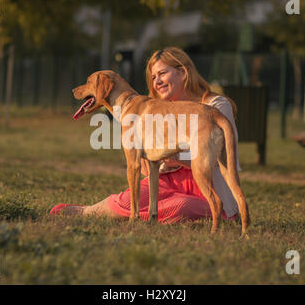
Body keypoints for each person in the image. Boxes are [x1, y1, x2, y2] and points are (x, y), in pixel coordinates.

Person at [50, 47, 241, 223]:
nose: (156, 81)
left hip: (204, 187)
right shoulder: (151, 107)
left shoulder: (215, 106)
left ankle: (209, 213)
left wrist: (173, 154)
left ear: (183, 72)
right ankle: (87, 211)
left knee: (182, 207)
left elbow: (222, 160)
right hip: (166, 182)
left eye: (162, 73)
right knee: (128, 199)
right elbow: (146, 168)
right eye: (153, 76)